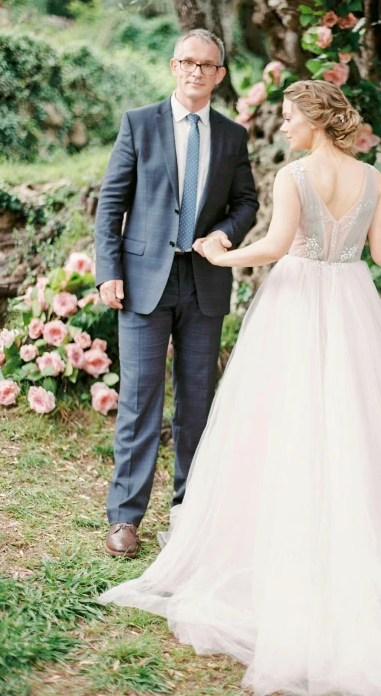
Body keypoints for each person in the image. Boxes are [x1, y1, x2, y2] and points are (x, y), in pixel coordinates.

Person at [99, 80, 381, 696]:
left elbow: (278, 246)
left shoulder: (295, 177)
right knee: (352, 421)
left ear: (314, 121)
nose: (283, 128)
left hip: (298, 301)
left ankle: (289, 547)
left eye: (289, 118)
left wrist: (215, 254)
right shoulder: (371, 179)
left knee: (283, 419)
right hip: (351, 302)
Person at [94, 29, 259, 558]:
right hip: (144, 281)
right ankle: (125, 517)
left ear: (219, 75)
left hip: (204, 281)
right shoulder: (139, 124)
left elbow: (247, 202)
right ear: (173, 66)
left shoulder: (233, 136)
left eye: (205, 64)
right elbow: (110, 202)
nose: (194, 71)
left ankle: (190, 512)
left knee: (197, 403)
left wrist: (226, 233)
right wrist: (108, 270)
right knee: (140, 400)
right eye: (186, 61)